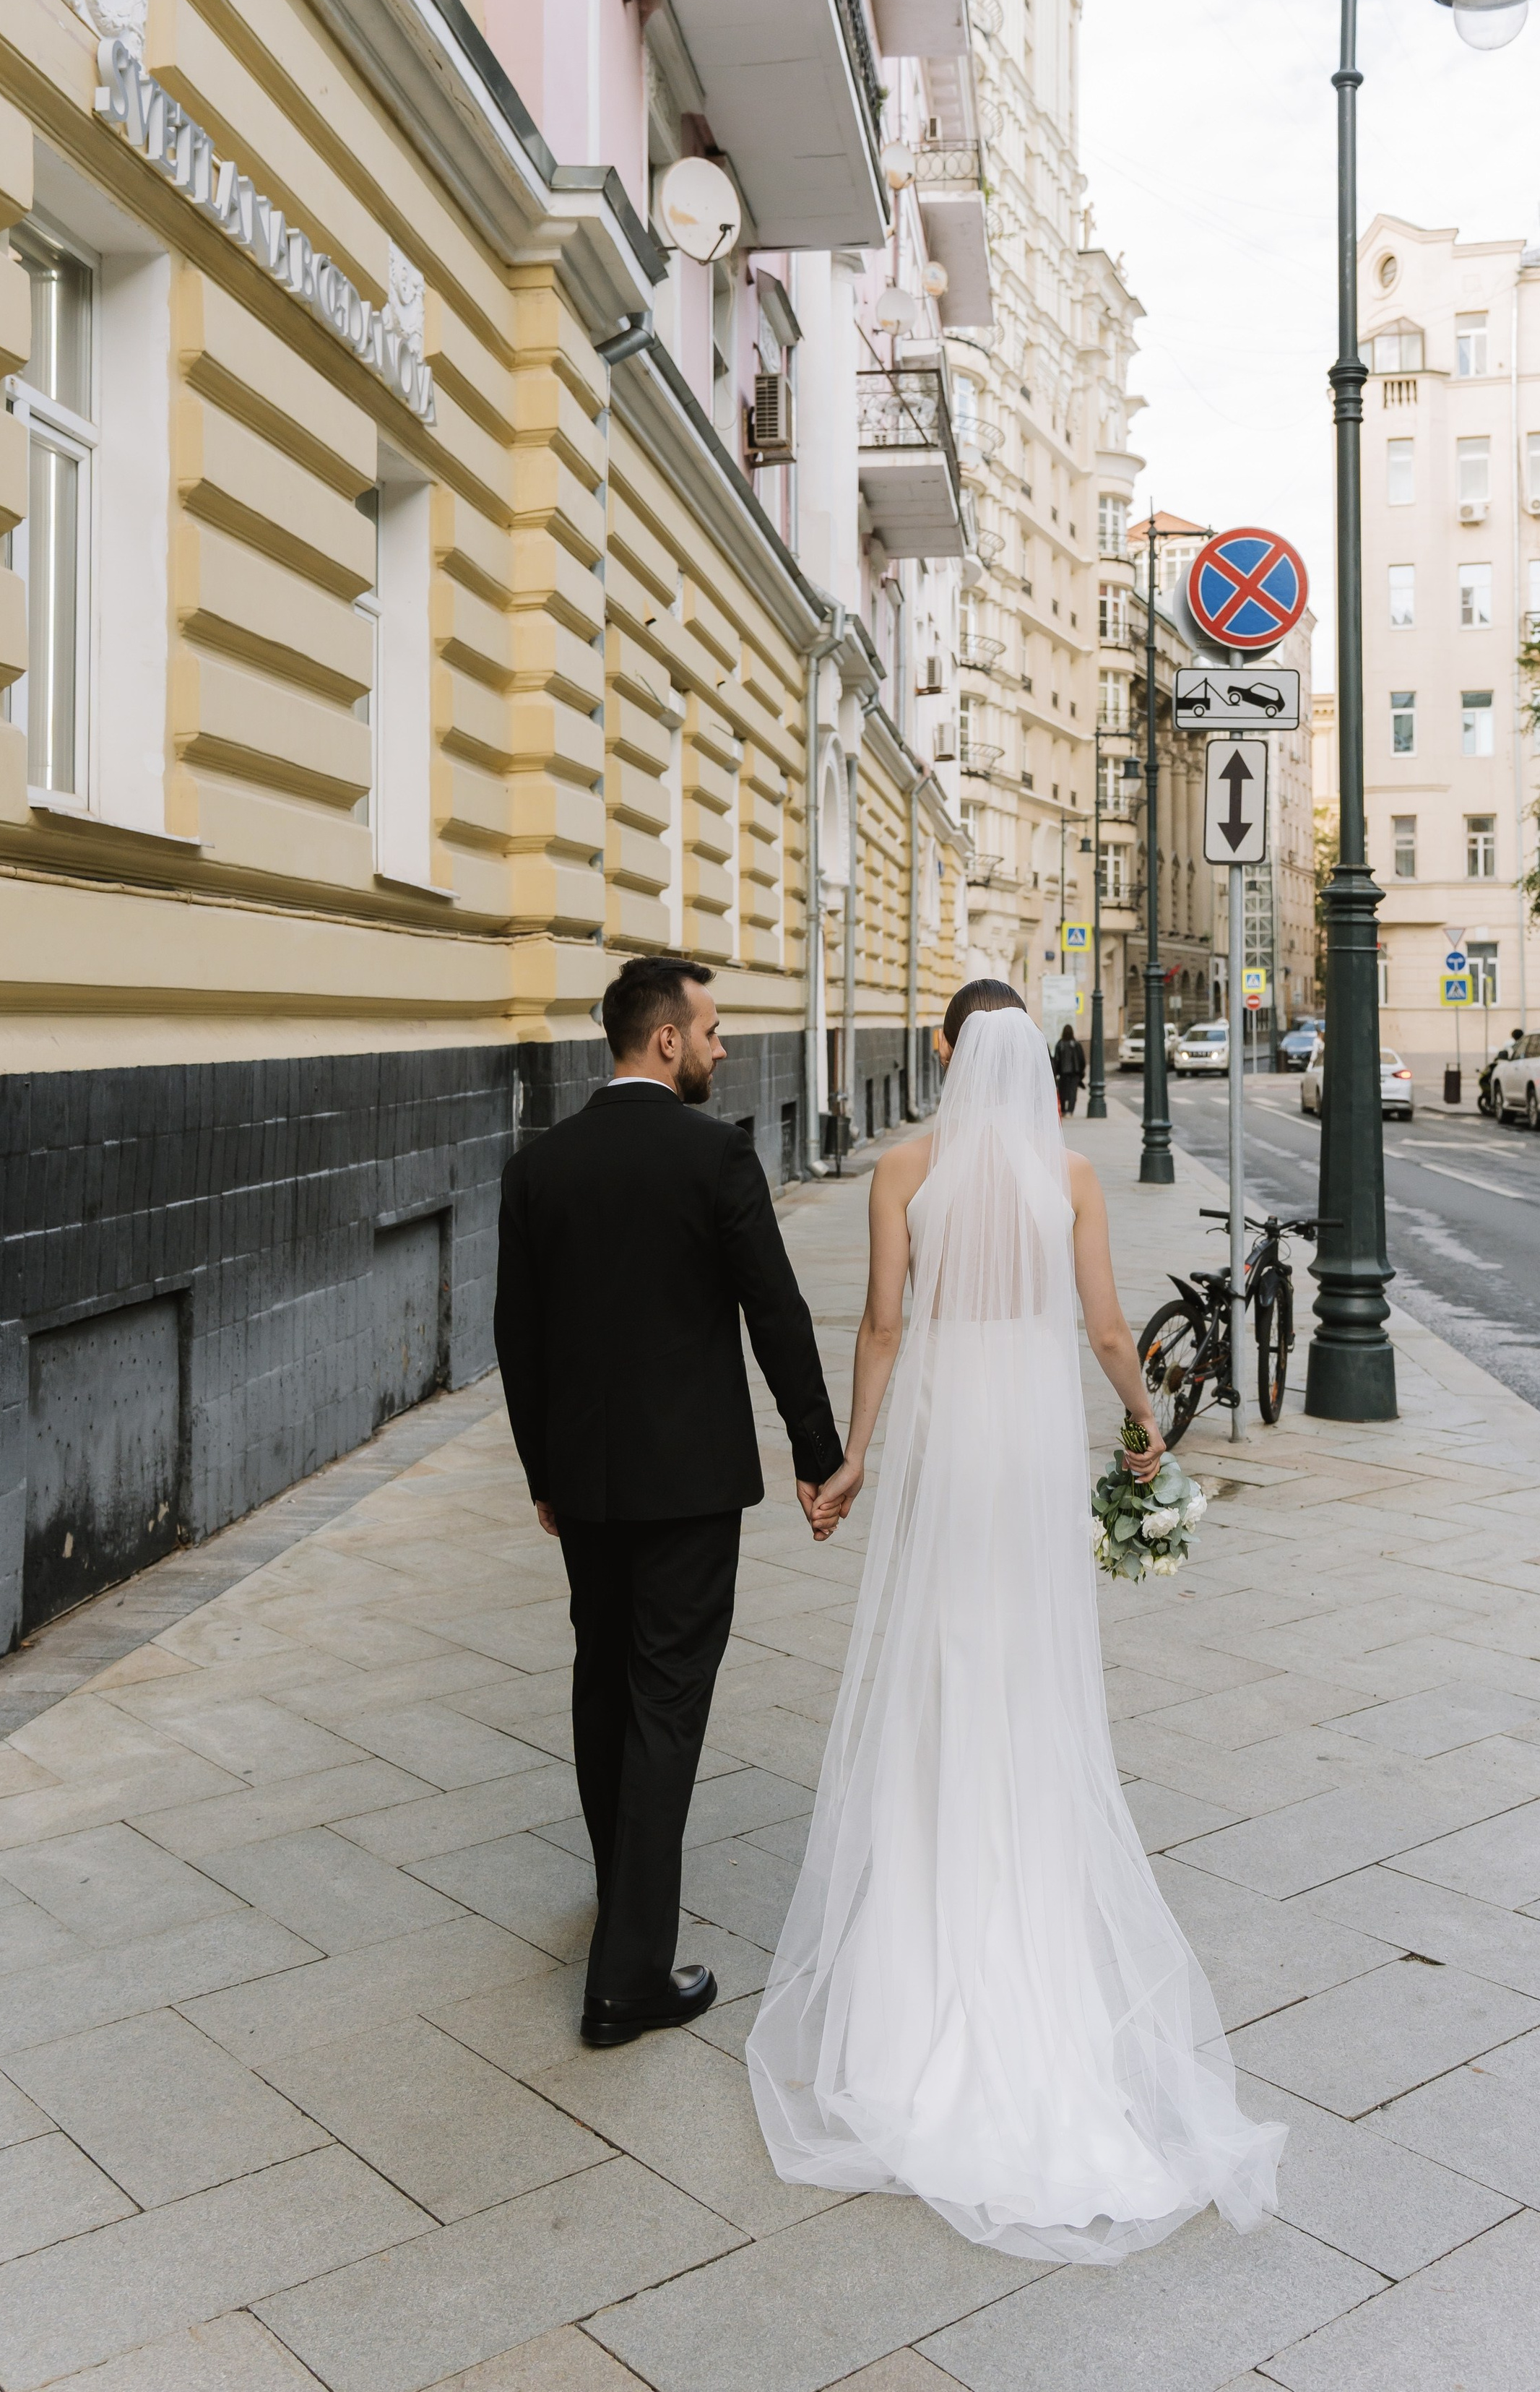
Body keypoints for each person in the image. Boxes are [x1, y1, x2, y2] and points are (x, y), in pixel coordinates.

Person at [748, 980, 1283, 2263]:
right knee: (1032, 1665)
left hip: (945, 1430)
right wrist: (1145, 1423)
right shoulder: (1072, 1180)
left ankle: (923, 1947)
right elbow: (1107, 1327)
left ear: (943, 1058)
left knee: (941, 1655)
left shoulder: (906, 1173)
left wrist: (855, 1454)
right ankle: (1029, 1905)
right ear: (1034, 1066)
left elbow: (881, 1323)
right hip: (1032, 1437)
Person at [494, 957, 842, 2050]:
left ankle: (622, 1898)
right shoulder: (715, 1154)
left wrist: (543, 1473)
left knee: (606, 1685)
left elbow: (518, 1337)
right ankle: (629, 1975)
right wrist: (819, 1452)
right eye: (713, 1030)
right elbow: (775, 1315)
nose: (723, 1048)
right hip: (689, 1486)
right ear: (664, 1042)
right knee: (666, 1704)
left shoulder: (541, 1166)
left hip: (590, 1486)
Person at [1052, 1019, 1087, 1118]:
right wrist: (1081, 1071)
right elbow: (1081, 1059)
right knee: (1072, 1092)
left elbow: (1056, 1060)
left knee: (1063, 1092)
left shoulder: (1060, 1044)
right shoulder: (1076, 1044)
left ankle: (1063, 1110)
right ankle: (1070, 1111)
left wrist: (1056, 1073)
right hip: (1075, 1073)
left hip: (1063, 1073)